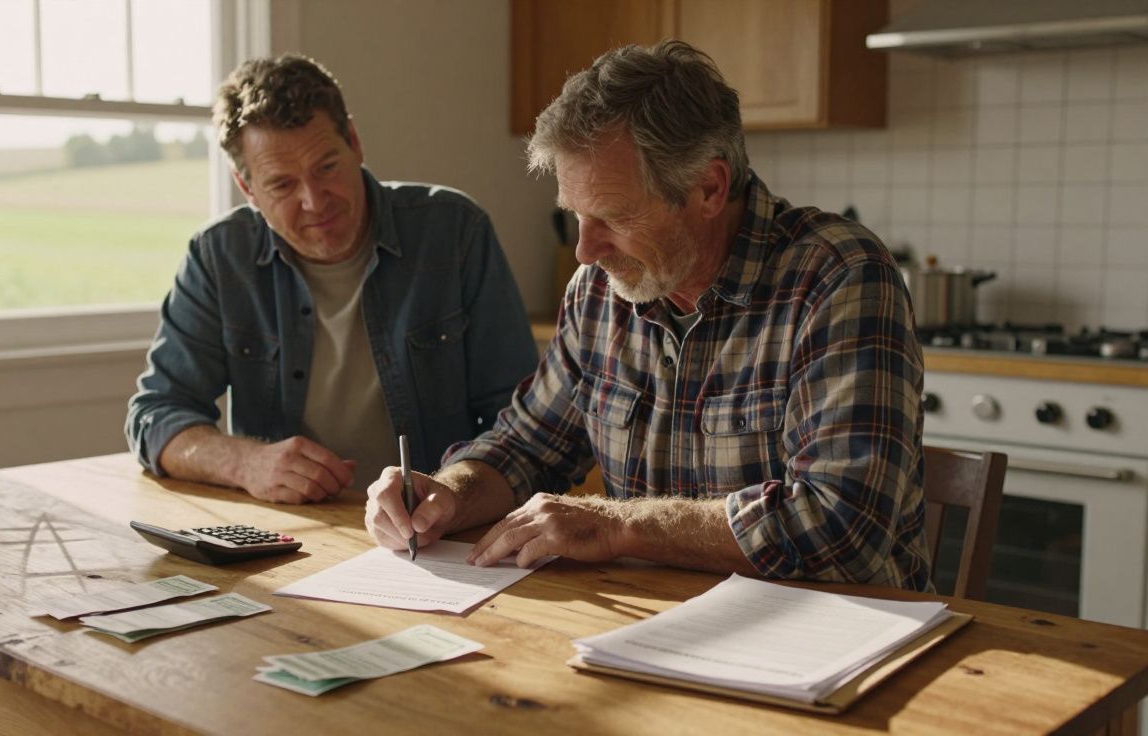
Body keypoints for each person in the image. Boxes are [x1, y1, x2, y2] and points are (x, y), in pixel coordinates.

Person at [365, 41, 930, 590]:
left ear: (709, 187)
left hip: (839, 639)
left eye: (612, 215)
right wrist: (446, 492)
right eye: (575, 215)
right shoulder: (599, 291)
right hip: (657, 627)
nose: (585, 250)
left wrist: (620, 525)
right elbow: (525, 447)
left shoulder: (836, 276)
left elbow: (843, 528)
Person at [126, 54, 538, 504]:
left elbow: (523, 421)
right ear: (247, 189)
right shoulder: (219, 256)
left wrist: (454, 493)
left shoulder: (455, 232)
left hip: (437, 528)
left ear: (355, 143)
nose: (314, 201)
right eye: (282, 185)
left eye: (326, 167)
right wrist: (246, 463)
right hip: (291, 531)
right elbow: (156, 415)